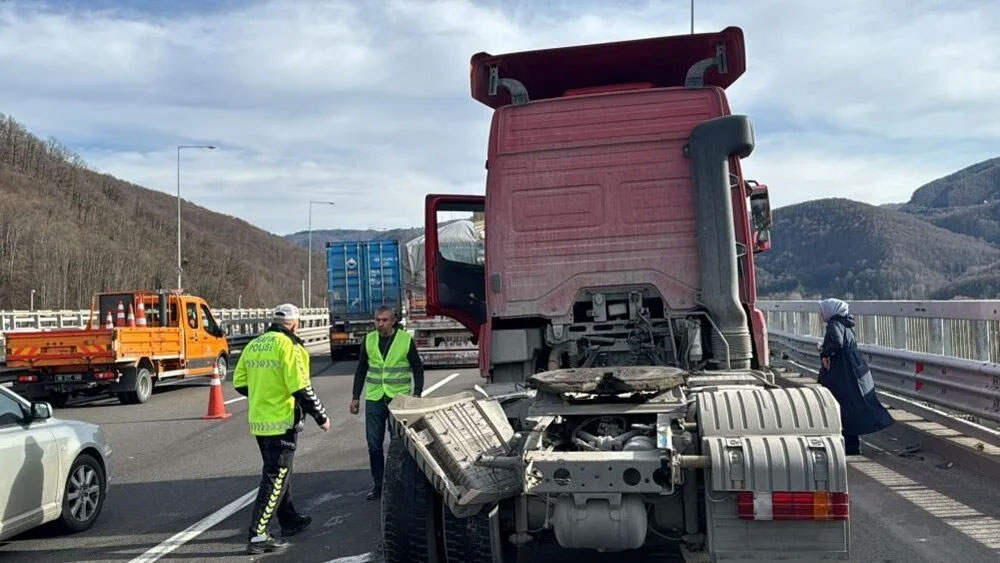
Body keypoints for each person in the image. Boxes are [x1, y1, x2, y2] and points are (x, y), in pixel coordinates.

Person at [233, 303, 330, 555]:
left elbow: (239, 383)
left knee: (280, 473)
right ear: (295, 324)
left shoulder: (254, 344)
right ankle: (258, 535)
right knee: (275, 477)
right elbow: (301, 387)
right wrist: (321, 415)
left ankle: (288, 519)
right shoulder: (290, 346)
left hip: (259, 420)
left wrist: (263, 392)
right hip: (281, 420)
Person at [349, 306, 424, 500]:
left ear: (393, 321)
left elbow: (417, 367)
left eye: (384, 320)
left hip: (398, 399)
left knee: (398, 443)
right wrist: (355, 396)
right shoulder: (369, 339)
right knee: (374, 444)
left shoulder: (405, 340)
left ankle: (399, 483)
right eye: (377, 320)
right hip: (374, 398)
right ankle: (378, 484)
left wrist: (417, 394)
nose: (379, 324)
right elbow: (361, 369)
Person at [818, 298, 894, 456]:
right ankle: (852, 445)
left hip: (843, 372)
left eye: (822, 310)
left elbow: (837, 342)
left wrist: (825, 352)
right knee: (852, 406)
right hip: (852, 368)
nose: (820, 314)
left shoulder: (834, 324)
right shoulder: (845, 323)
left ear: (831, 311)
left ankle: (849, 446)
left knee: (840, 405)